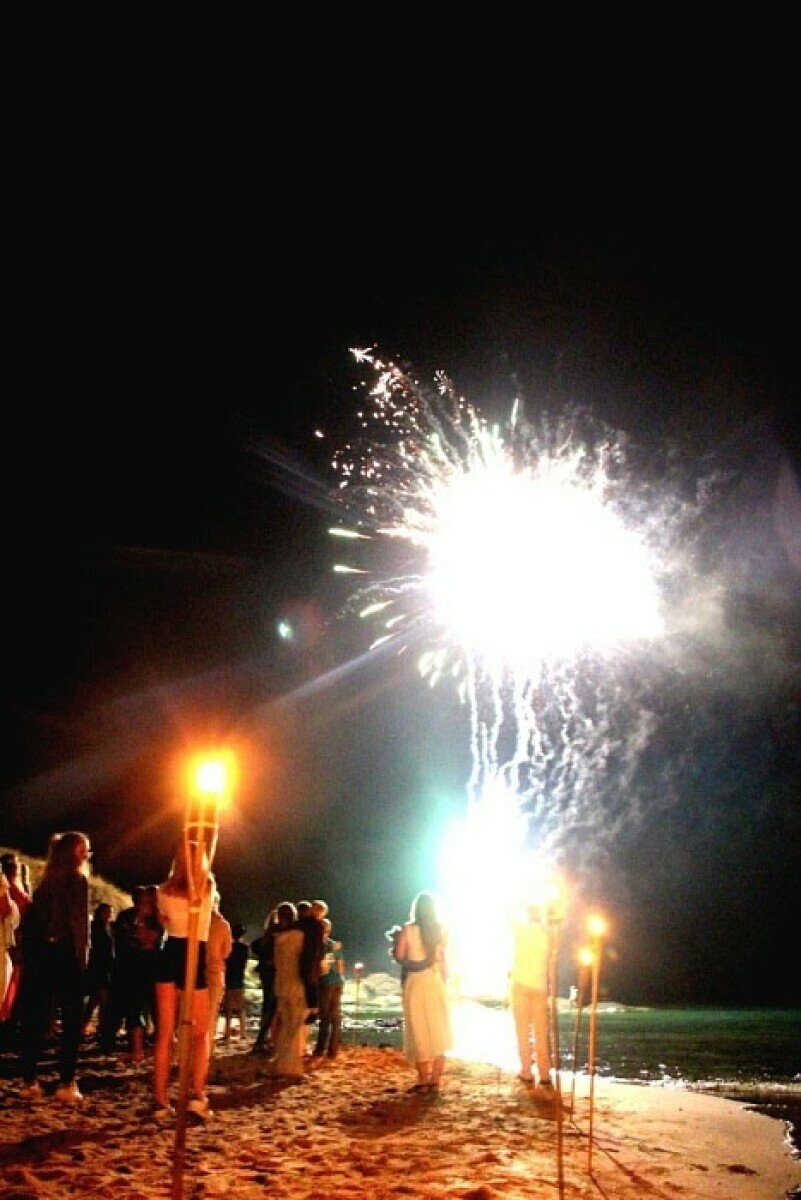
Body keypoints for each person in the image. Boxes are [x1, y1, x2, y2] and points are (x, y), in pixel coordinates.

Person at [18, 831, 92, 1101]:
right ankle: (66, 1082)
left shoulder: (46, 882)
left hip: (41, 955)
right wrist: (82, 958)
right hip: (66, 954)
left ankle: (29, 1080)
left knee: (36, 1018)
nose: (87, 855)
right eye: (84, 850)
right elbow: (79, 923)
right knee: (72, 1021)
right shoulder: (77, 880)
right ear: (74, 852)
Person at [152, 840, 216, 1120]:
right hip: (193, 952)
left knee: (166, 1032)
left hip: (170, 952)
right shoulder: (206, 887)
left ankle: (160, 1099)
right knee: (200, 1033)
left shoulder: (163, 891)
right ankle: (197, 1094)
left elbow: (164, 921)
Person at [393, 890, 452, 1093]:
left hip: (415, 982)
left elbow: (400, 956)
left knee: (418, 1029)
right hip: (434, 981)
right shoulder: (440, 930)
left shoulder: (408, 930)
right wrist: (445, 981)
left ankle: (423, 1080)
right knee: (438, 1029)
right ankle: (435, 1080)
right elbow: (443, 961)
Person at [509, 899, 552, 1089]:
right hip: (540, 986)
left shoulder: (520, 929)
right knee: (541, 1032)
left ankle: (526, 1071)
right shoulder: (547, 934)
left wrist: (518, 904)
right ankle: (545, 1073)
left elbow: (507, 915)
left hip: (521, 984)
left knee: (523, 1031)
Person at [269, 902, 307, 1077]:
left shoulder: (276, 938)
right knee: (295, 1027)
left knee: (285, 1025)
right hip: (296, 984)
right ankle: (291, 1066)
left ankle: (282, 1063)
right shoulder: (299, 937)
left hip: (281, 985)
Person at [311, 917, 345, 1059]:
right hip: (338, 982)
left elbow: (322, 969)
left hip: (326, 983)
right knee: (336, 1018)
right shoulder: (334, 945)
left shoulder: (321, 946)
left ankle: (320, 1049)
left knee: (324, 1017)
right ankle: (332, 1050)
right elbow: (341, 967)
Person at [82, 902, 115, 1040]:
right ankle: (100, 1027)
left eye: (110, 912)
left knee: (95, 999)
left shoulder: (109, 927)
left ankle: (85, 1025)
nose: (109, 914)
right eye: (107, 912)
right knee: (102, 998)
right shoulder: (96, 927)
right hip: (98, 966)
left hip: (105, 967)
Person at [250, 908, 279, 1054]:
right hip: (275, 974)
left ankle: (263, 1039)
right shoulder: (278, 935)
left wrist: (263, 958)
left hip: (266, 974)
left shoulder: (267, 936)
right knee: (273, 1007)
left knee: (268, 1006)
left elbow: (254, 945)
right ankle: (265, 1040)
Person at [206, 894, 232, 1051]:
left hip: (194, 972)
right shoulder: (222, 925)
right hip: (214, 971)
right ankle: (205, 1051)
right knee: (210, 1014)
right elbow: (226, 951)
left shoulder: (195, 922)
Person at [223, 923, 249, 1042]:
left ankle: (227, 1033)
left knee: (228, 1008)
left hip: (228, 979)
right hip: (239, 979)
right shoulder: (244, 948)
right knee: (241, 1008)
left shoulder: (229, 947)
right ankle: (243, 1033)